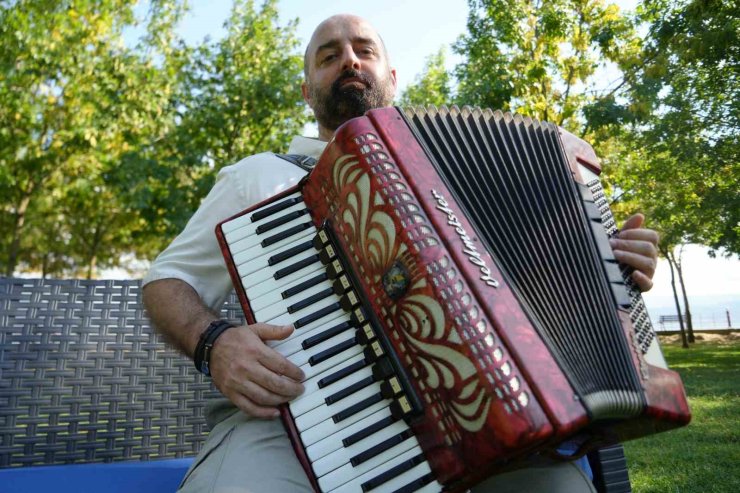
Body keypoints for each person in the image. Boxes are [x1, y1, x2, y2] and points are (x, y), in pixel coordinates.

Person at [142, 14, 660, 493]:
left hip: (493, 424)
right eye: (328, 56)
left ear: (392, 76)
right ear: (307, 91)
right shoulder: (258, 176)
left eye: (363, 50)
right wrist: (214, 342)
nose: (349, 59)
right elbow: (166, 282)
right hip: (294, 421)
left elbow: (552, 291)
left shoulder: (464, 171)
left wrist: (610, 267)